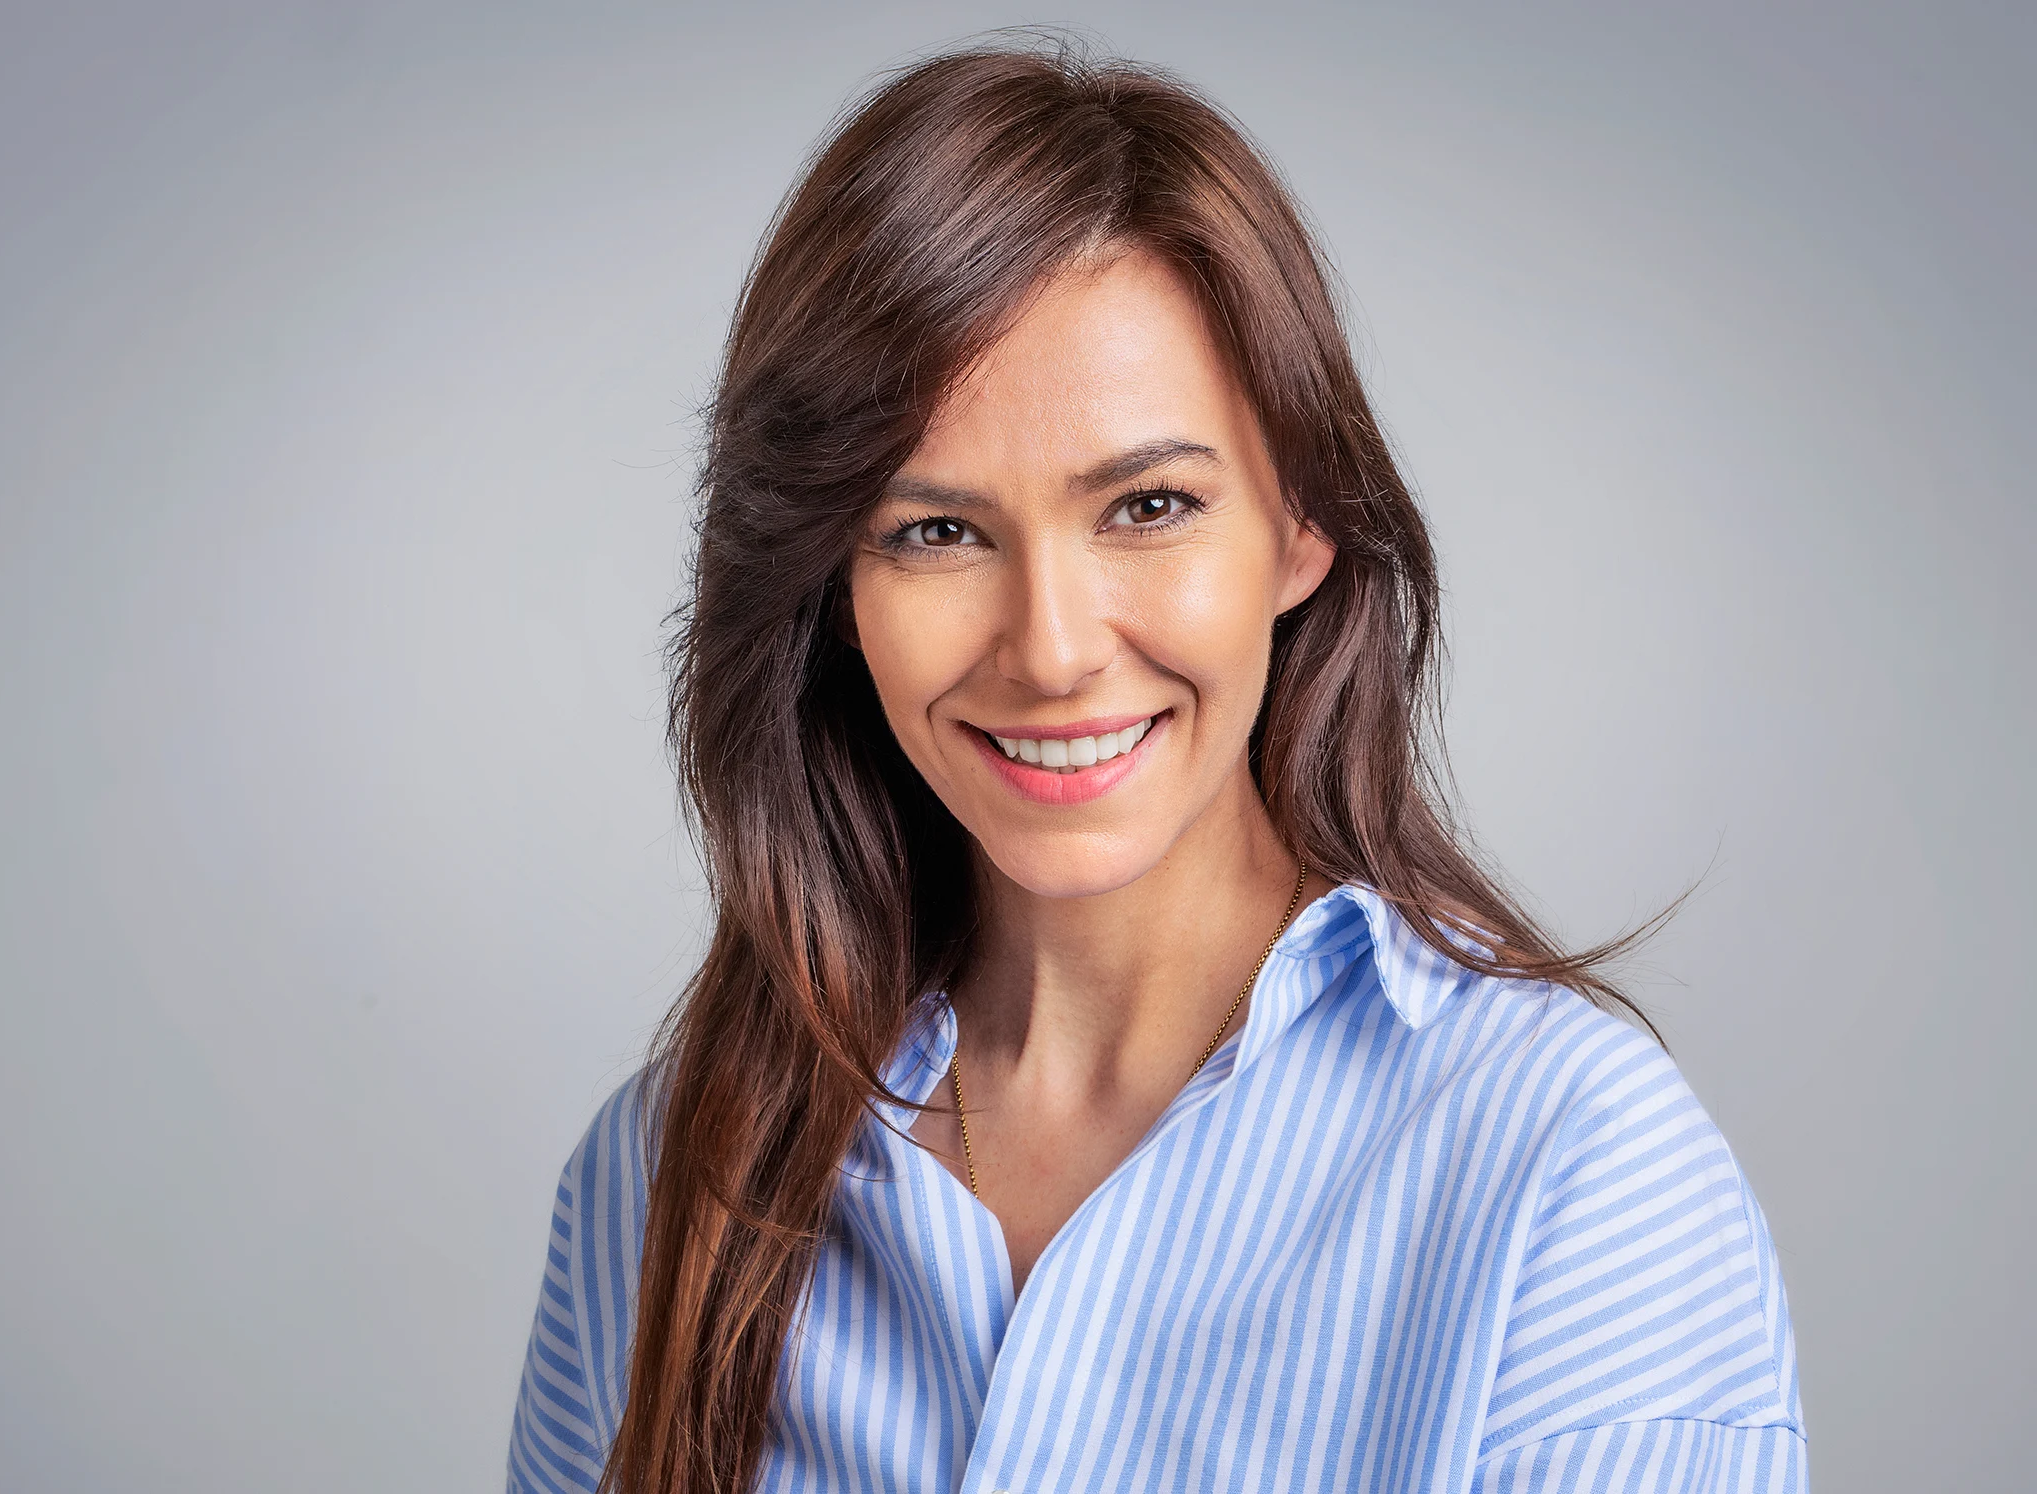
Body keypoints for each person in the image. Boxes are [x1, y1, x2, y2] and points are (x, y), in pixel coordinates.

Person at [507, 40, 1807, 1494]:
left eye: (1147, 504)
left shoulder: (1575, 1167)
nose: (1052, 649)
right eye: (935, 530)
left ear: (1302, 526)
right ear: (833, 593)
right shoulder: (662, 1177)